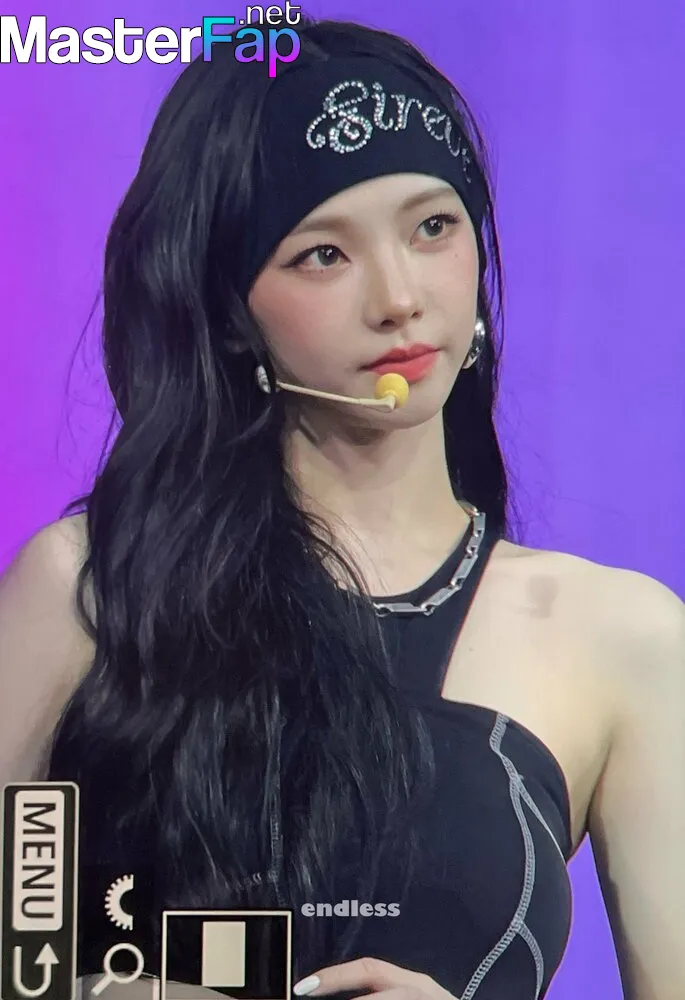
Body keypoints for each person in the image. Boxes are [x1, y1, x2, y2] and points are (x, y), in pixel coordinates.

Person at [1, 13, 683, 1000]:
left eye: (433, 227)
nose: (398, 297)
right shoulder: (91, 593)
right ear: (228, 311)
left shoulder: (619, 637)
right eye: (323, 254)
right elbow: (16, 950)